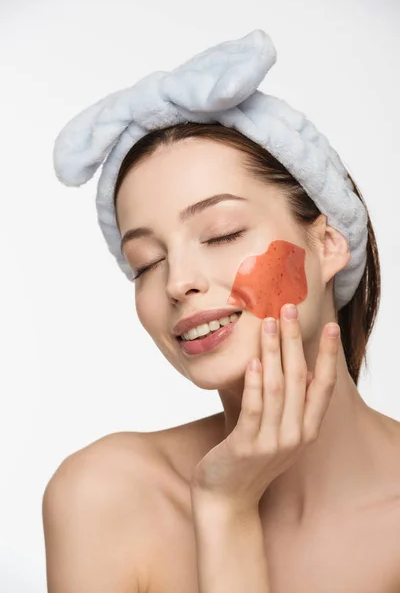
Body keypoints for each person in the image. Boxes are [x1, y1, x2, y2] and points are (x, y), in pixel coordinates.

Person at [43, 31, 400, 592]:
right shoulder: (105, 496)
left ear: (328, 245)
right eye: (145, 263)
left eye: (222, 233)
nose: (178, 282)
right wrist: (225, 508)